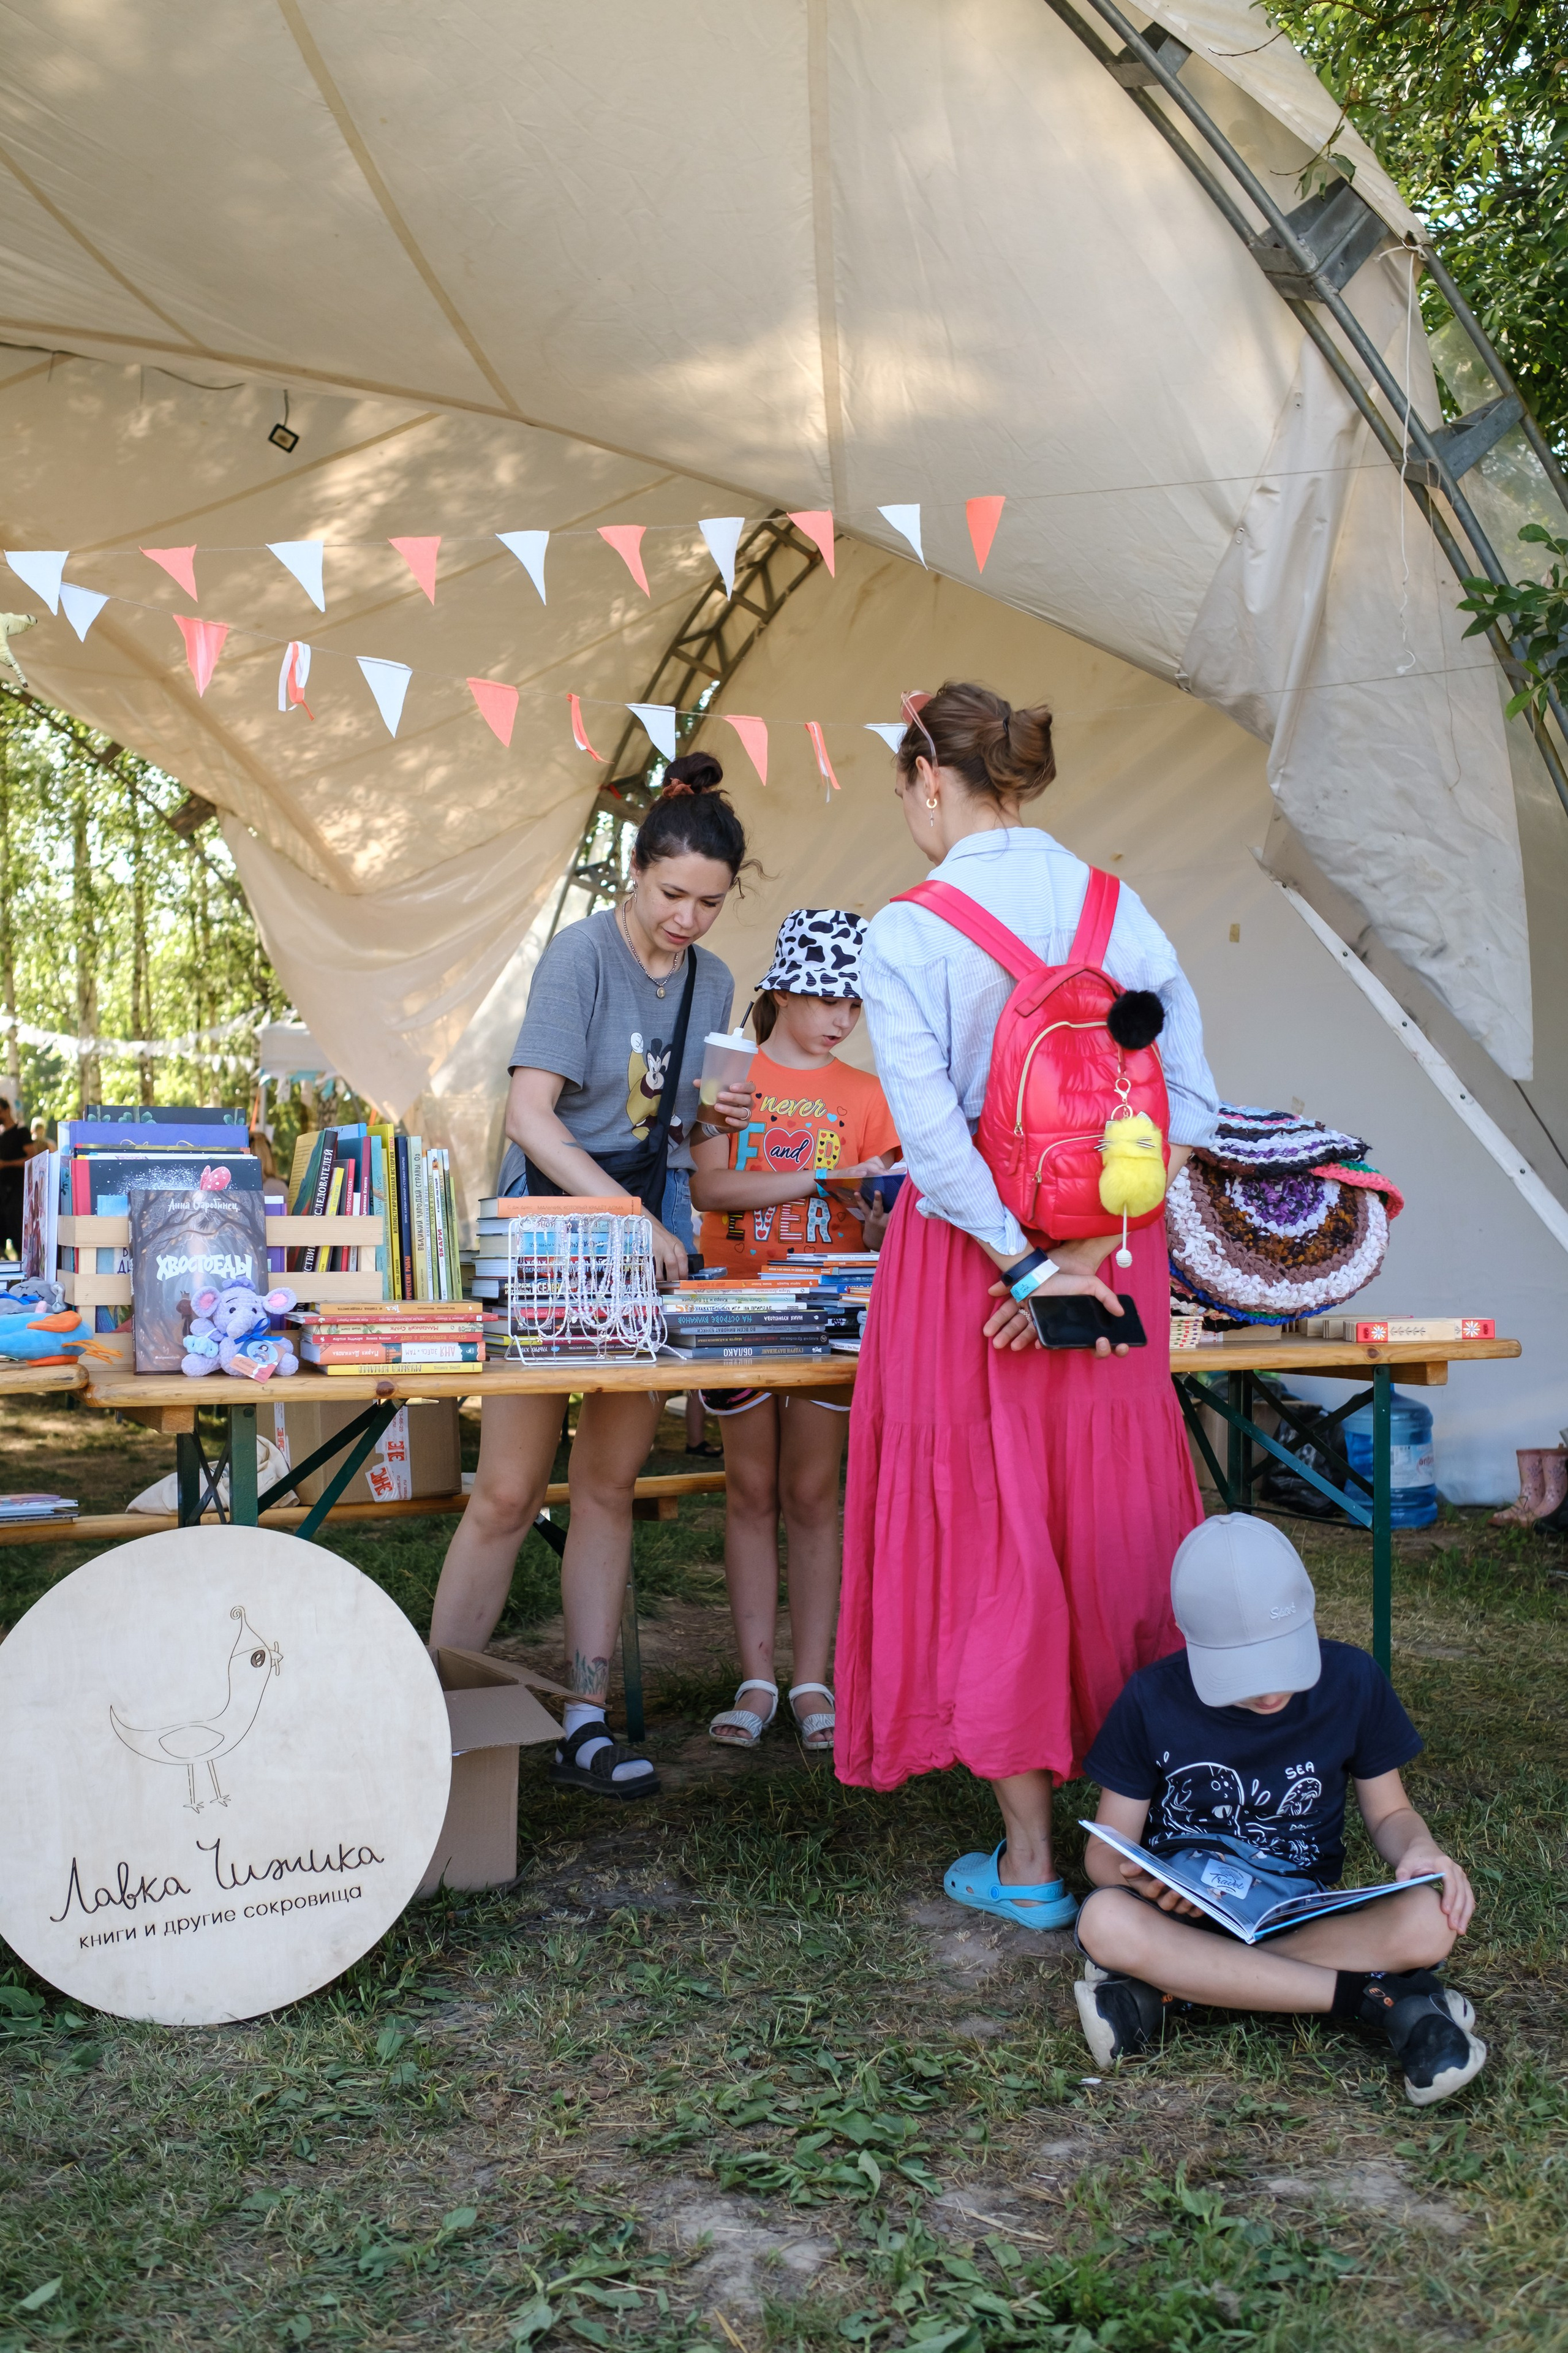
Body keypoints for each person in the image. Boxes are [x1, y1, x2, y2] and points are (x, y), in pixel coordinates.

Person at [837, 681, 1220, 1927]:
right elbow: (1191, 1108)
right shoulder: (1119, 910)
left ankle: (1025, 1862)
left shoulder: (905, 931)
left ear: (929, 781)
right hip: (1116, 1258)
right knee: (1110, 1525)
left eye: (902, 791)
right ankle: (1145, 1824)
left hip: (967, 1270)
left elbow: (936, 1144)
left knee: (990, 1535)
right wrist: (1091, 1263)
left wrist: (1020, 1269)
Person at [426, 753, 753, 1799]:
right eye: (672, 895)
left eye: (710, 902)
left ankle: (584, 1717)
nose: (688, 920)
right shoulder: (578, 959)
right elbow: (531, 1117)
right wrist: (616, 1217)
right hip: (553, 1225)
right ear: (636, 869)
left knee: (608, 1485)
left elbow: (682, 1125)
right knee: (511, 1491)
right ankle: (432, 1711)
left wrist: (721, 1120)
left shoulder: (714, 979)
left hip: (646, 1222)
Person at [1075, 1514, 1485, 2106]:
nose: (1269, 1693)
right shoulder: (1151, 1697)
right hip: (1185, 1913)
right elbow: (1104, 1850)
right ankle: (1377, 1998)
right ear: (1192, 1641)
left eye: (1282, 1663)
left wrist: (1419, 1848)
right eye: (1243, 1673)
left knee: (1432, 1918)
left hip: (1299, 1912)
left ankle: (1171, 1992)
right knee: (1104, 1920)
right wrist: (1135, 1877)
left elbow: (1392, 1814)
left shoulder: (1353, 1681)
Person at [690, 909, 899, 1753]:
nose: (842, 1018)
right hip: (737, 1314)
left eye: (855, 1001)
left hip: (834, 1321)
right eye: (825, 998)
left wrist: (878, 1209)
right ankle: (754, 1676)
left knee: (816, 1495)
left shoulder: (869, 1094)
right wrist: (817, 1175)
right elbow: (709, 1190)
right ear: (780, 990)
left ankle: (812, 1679)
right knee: (749, 1491)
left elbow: (890, 1212)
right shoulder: (731, 1080)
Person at [0, 1099, 27, 1258]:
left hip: (18, 1192)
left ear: (7, 1109)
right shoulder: (2, 1136)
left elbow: (31, 1159)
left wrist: (6, 1164)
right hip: (2, 1193)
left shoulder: (21, 1133)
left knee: (18, 1233)